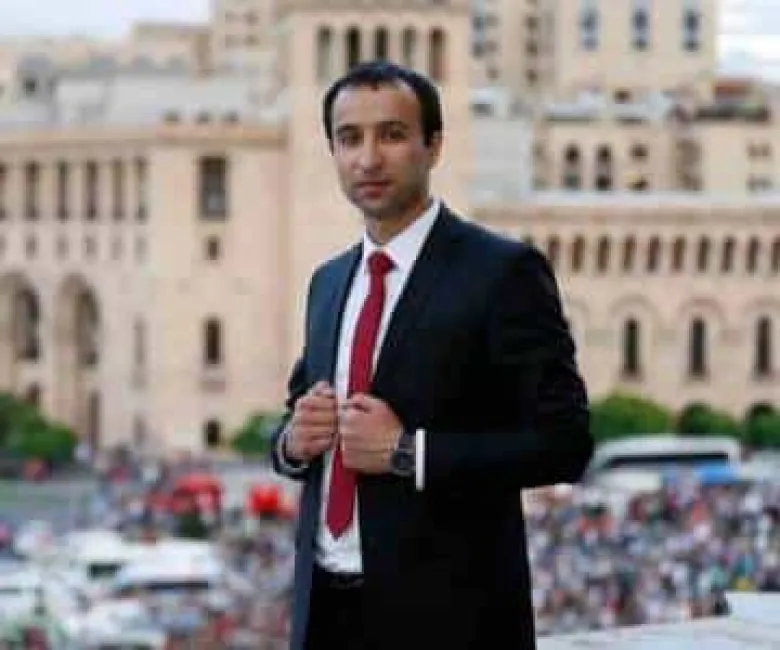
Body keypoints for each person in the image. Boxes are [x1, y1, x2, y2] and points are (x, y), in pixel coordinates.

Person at [270, 60, 593, 650]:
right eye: (350, 138)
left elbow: (566, 443)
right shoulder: (329, 282)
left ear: (433, 146)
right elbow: (296, 419)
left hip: (450, 620)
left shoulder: (501, 273)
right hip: (325, 614)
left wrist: (407, 454)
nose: (369, 158)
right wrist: (293, 442)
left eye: (392, 135)